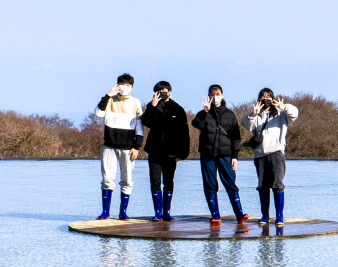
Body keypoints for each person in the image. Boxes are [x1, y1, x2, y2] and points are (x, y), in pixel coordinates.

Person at [242, 87, 298, 227]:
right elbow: (245, 124)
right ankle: (265, 215)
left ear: (272, 99)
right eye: (263, 96)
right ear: (259, 99)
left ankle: (279, 215)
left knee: (277, 184)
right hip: (260, 154)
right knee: (262, 185)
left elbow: (295, 113)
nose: (265, 99)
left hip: (276, 153)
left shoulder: (280, 114)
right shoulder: (256, 115)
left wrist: (283, 107)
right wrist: (253, 114)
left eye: (268, 96)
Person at [192, 84, 247, 226]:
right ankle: (215, 215)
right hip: (208, 155)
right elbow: (196, 124)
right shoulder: (204, 113)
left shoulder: (230, 114)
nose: (215, 97)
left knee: (230, 183)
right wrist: (205, 112)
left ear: (222, 95)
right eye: (212, 95)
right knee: (210, 184)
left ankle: (240, 214)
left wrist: (235, 156)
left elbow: (236, 137)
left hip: (226, 155)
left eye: (217, 94)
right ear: (208, 97)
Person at [95, 73, 145, 220]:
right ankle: (105, 212)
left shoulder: (135, 102)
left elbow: (139, 128)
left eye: (128, 85)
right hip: (109, 146)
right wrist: (108, 95)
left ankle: (123, 212)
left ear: (132, 87)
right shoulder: (109, 100)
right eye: (122, 84)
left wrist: (137, 146)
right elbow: (98, 113)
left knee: (127, 180)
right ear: (117, 85)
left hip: (128, 148)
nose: (125, 87)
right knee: (107, 179)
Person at [140, 81, 190, 221]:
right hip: (154, 150)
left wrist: (183, 153)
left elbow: (184, 132)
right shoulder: (152, 106)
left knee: (169, 181)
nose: (162, 93)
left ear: (170, 92)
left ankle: (167, 212)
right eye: (159, 91)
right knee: (155, 180)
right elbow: (146, 122)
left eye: (164, 91)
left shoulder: (178, 109)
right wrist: (153, 106)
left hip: (171, 151)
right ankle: (158, 212)